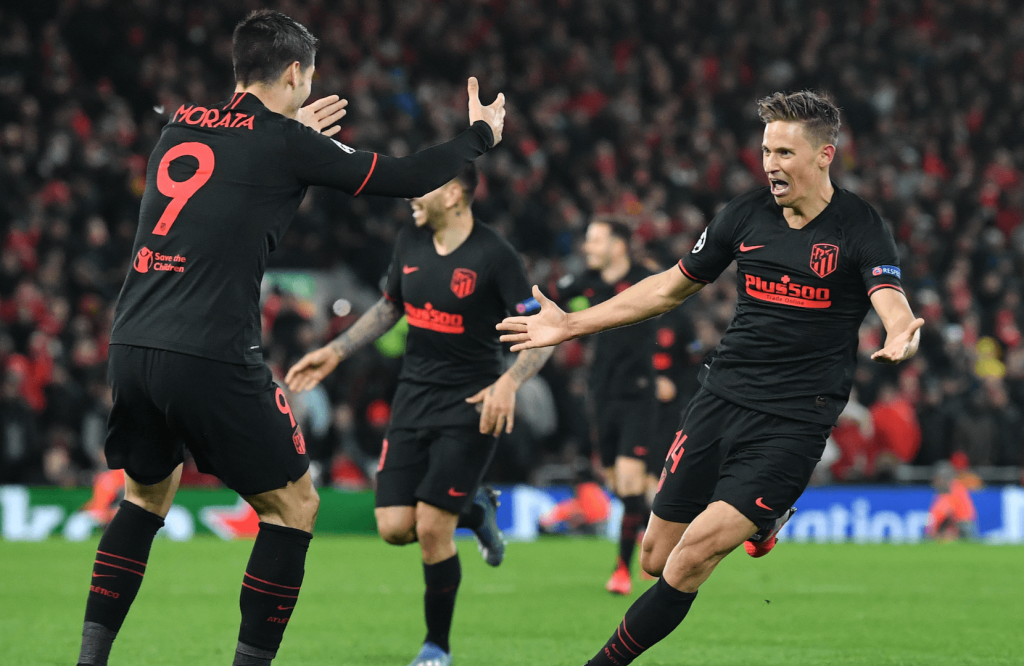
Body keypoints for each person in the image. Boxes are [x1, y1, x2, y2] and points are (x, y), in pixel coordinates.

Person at [75, 10, 505, 666]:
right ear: (297, 73)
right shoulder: (284, 142)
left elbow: (233, 168)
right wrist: (478, 135)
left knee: (143, 496)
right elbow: (409, 176)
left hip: (132, 344)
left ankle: (89, 662)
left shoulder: (179, 125)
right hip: (211, 350)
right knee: (293, 507)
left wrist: (289, 137)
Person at [498, 90, 924, 665]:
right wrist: (571, 323)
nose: (770, 163)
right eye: (766, 150)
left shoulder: (860, 226)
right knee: (655, 558)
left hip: (795, 419)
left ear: (825, 155)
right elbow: (671, 286)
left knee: (692, 556)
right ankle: (766, 519)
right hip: (720, 399)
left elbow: (888, 295)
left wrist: (900, 331)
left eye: (785, 152)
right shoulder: (745, 215)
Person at [285, 164, 552, 666]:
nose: (410, 194)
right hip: (413, 399)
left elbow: (543, 330)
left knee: (432, 528)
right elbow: (389, 307)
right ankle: (476, 510)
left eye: (422, 186)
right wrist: (335, 352)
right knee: (393, 527)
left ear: (453, 194)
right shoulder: (409, 238)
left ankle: (437, 648)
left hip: (470, 404)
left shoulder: (494, 255)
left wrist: (509, 382)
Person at [554, 217, 658, 595]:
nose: (587, 247)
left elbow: (676, 320)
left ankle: (622, 570)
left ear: (618, 244)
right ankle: (652, 531)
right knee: (620, 486)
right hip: (601, 395)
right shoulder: (585, 281)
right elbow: (549, 302)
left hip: (638, 393)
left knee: (631, 481)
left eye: (595, 240)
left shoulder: (648, 279)